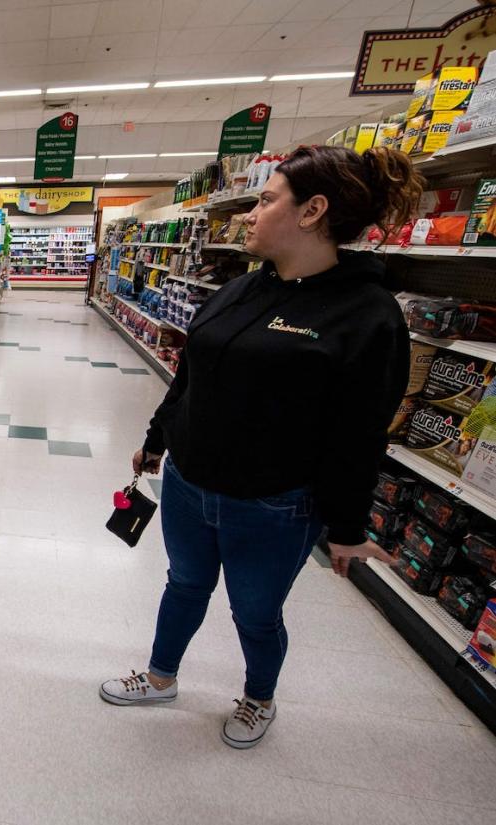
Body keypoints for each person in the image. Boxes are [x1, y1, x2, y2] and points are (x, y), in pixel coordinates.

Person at [100, 145, 423, 749]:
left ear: (313, 211)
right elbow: (192, 376)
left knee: (255, 611)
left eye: (267, 199)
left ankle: (258, 699)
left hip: (275, 505)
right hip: (190, 485)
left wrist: (348, 528)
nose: (250, 213)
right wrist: (155, 440)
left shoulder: (367, 315)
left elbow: (359, 434)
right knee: (184, 585)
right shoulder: (240, 290)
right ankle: (161, 676)